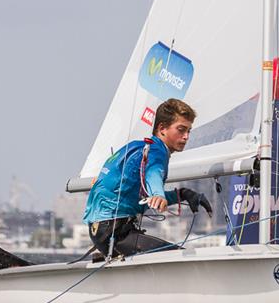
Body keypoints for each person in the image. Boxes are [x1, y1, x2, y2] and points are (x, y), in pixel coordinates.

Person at [83, 98, 213, 259]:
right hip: (114, 233)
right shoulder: (157, 152)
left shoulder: (138, 147)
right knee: (180, 257)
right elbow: (154, 174)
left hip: (104, 232)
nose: (186, 136)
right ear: (162, 128)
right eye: (181, 130)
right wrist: (157, 194)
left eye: (189, 131)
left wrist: (183, 194)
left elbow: (140, 193)